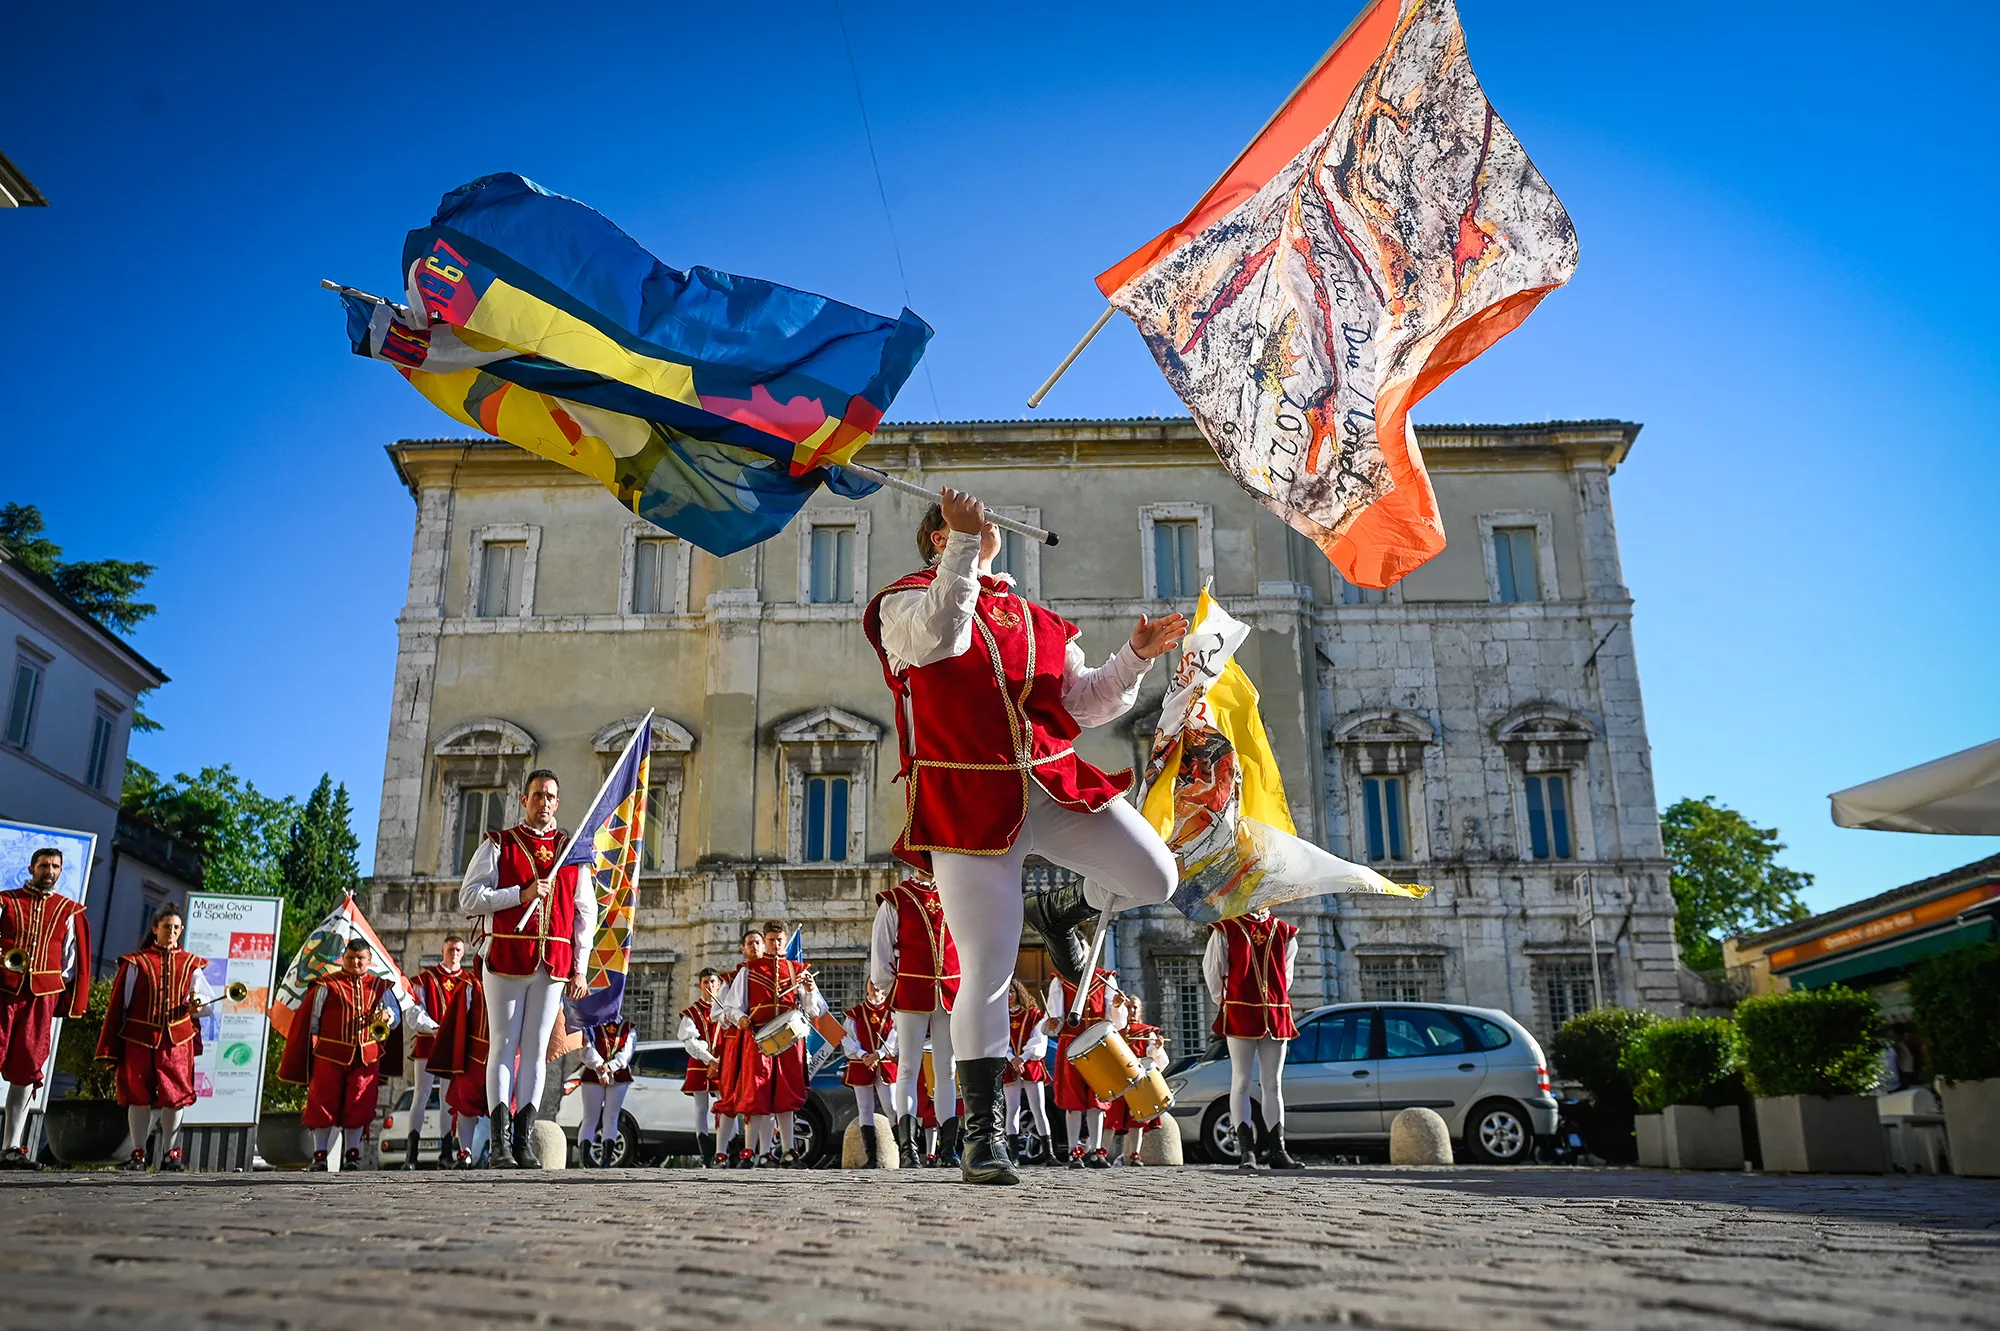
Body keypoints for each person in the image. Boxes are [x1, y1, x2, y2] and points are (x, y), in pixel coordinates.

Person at [863, 489, 1186, 1185]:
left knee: (1157, 875)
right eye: (958, 532)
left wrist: (1134, 655)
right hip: (967, 801)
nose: (985, 532)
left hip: (1051, 783)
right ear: (937, 537)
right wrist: (962, 546)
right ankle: (982, 1135)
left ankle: (1066, 910)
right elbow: (942, 635)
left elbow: (1084, 702)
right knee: (986, 965)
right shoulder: (903, 605)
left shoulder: (1033, 618)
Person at [457, 769, 597, 1170]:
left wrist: (581, 968)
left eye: (551, 796)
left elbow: (585, 912)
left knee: (536, 1051)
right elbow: (470, 898)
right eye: (537, 795)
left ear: (558, 801)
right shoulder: (499, 844)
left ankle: (523, 1142)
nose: (545, 803)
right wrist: (522, 894)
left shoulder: (572, 853)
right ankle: (499, 1144)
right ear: (525, 800)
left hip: (554, 962)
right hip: (506, 957)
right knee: (503, 1044)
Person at [96, 902, 212, 1172]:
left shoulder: (191, 964)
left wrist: (198, 1004)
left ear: (181, 931)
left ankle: (171, 1154)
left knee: (176, 1096)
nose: (171, 932)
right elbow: (120, 1005)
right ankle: (138, 1153)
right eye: (166, 927)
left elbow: (205, 1003)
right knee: (138, 1096)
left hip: (177, 1040)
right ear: (155, 929)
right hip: (139, 1037)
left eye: (175, 928)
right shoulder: (136, 962)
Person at [0, 847, 92, 1170]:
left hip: (41, 997)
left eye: (54, 866)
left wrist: (58, 991)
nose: (48, 870)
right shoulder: (6, 900)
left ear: (61, 870)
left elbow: (69, 964)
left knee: (26, 1068)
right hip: (3, 990)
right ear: (31, 867)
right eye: (43, 865)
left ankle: (11, 1147)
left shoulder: (68, 910)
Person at [277, 937, 404, 1170]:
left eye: (360, 959)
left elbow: (395, 1016)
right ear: (343, 958)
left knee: (360, 1104)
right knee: (322, 1104)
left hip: (366, 1055)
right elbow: (312, 1020)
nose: (355, 963)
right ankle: (319, 1156)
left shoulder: (380, 986)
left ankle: (352, 1156)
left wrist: (388, 1017)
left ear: (369, 960)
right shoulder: (327, 984)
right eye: (350, 958)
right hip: (329, 1054)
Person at [869, 873, 958, 1168]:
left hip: (950, 990)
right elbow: (881, 949)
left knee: (947, 1069)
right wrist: (886, 984)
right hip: (911, 989)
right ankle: (908, 1150)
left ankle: (948, 1150)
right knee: (908, 1067)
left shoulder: (956, 890)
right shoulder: (897, 898)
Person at [719, 920, 824, 1166]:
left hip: (790, 1042)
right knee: (756, 1094)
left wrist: (809, 991)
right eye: (771, 940)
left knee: (786, 1096)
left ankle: (789, 1152)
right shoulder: (749, 969)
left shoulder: (799, 970)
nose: (776, 944)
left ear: (785, 940)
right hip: (757, 1041)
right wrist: (741, 1018)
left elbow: (816, 1009)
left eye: (779, 940)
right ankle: (748, 1154)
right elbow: (732, 1006)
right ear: (764, 941)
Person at [1205, 907, 1302, 1170]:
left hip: (1275, 1012)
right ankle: (1246, 1150)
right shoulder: (1227, 928)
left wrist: (1272, 999)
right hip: (1240, 1009)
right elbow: (1214, 970)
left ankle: (1277, 1150)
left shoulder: (1284, 931)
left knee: (1273, 1083)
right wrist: (1226, 1002)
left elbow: (1286, 974)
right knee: (1241, 1080)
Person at [404, 935, 477, 1169]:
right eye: (450, 949)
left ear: (463, 953)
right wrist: (435, 1028)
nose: (453, 953)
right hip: (428, 1044)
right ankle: (411, 1155)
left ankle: (446, 1154)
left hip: (454, 1048)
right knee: (421, 1096)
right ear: (442, 951)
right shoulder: (425, 979)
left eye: (457, 950)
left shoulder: (469, 981)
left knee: (449, 1100)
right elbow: (414, 1012)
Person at [1046, 964, 1125, 1169]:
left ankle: (1095, 1151)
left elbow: (1114, 1020)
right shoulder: (1061, 980)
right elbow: (1056, 1020)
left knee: (1097, 1100)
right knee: (1073, 1100)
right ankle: (1074, 1151)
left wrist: (1117, 1007)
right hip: (1071, 1044)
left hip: (1098, 1045)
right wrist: (1054, 1023)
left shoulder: (1105, 979)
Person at [712, 930, 763, 1167]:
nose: (754, 947)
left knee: (757, 1097)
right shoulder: (730, 979)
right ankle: (721, 1152)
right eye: (749, 943)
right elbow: (718, 1013)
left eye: (757, 943)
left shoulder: (774, 974)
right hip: (735, 1044)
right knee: (730, 1096)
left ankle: (754, 1152)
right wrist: (736, 1018)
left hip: (758, 1043)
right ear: (743, 948)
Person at [839, 978, 900, 1169]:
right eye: (870, 984)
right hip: (861, 1063)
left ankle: (902, 1151)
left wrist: (880, 1054)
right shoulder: (854, 1014)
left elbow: (895, 1037)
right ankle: (871, 1157)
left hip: (885, 1063)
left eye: (877, 984)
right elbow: (847, 1038)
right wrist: (863, 1054)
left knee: (892, 1107)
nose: (874, 988)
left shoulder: (893, 1012)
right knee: (865, 1109)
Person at [1104, 994, 1170, 1166]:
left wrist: (1156, 1048)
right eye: (1129, 1007)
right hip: (1118, 1080)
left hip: (1138, 1080)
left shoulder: (1148, 1031)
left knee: (1137, 1118)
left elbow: (1155, 1059)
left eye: (1135, 1007)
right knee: (1111, 1117)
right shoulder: (1114, 1030)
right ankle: (1101, 1153)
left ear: (1141, 1010)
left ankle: (1135, 1155)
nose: (1132, 1011)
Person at [677, 968, 724, 1167]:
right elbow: (689, 1041)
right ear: (700, 986)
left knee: (726, 1106)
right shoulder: (693, 1012)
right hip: (700, 1065)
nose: (709, 986)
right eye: (705, 982)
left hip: (723, 1064)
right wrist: (709, 1059)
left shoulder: (725, 1010)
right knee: (701, 1108)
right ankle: (706, 1155)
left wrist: (720, 1060)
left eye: (712, 982)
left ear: (719, 984)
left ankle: (727, 1151)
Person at [1002, 979, 1051, 1164]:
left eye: (1012, 991)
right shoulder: (999, 1016)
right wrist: (1011, 1058)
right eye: (1006, 992)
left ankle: (1049, 1153)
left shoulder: (1034, 1015)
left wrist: (1022, 1058)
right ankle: (1013, 1155)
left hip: (1030, 1063)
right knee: (1012, 1109)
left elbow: (1039, 1040)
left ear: (1019, 992)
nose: (1009, 996)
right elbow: (999, 1042)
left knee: (1039, 1109)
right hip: (1010, 1064)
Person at [575, 1015, 635, 1167]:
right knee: (590, 1118)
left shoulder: (628, 1028)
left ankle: (606, 1160)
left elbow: (626, 1053)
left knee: (611, 1117)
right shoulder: (590, 1025)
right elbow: (586, 1050)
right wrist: (600, 1067)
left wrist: (611, 1066)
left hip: (619, 1075)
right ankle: (585, 1160)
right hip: (592, 1074)